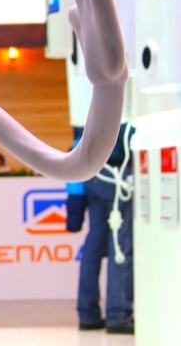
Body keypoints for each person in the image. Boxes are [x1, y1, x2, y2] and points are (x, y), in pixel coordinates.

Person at [66, 123, 134, 335]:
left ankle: (88, 314)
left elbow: (74, 154)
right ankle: (118, 315)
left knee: (93, 246)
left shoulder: (85, 122)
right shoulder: (123, 118)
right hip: (117, 174)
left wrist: (74, 213)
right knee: (120, 245)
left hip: (91, 175)